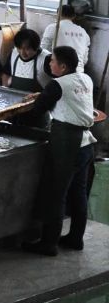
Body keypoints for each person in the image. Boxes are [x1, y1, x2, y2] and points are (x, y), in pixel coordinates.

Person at [21, 46, 95, 255]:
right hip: (86, 143)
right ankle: (75, 238)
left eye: (53, 60)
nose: (50, 63)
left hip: (68, 143)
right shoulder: (86, 79)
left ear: (62, 67)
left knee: (56, 193)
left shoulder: (57, 84)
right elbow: (67, 97)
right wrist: (43, 94)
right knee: (78, 193)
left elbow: (38, 110)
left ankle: (48, 243)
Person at [40, 5, 90, 72]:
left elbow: (44, 50)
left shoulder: (53, 28)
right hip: (78, 70)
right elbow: (85, 59)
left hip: (58, 70)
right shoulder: (83, 32)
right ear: (74, 16)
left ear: (57, 15)